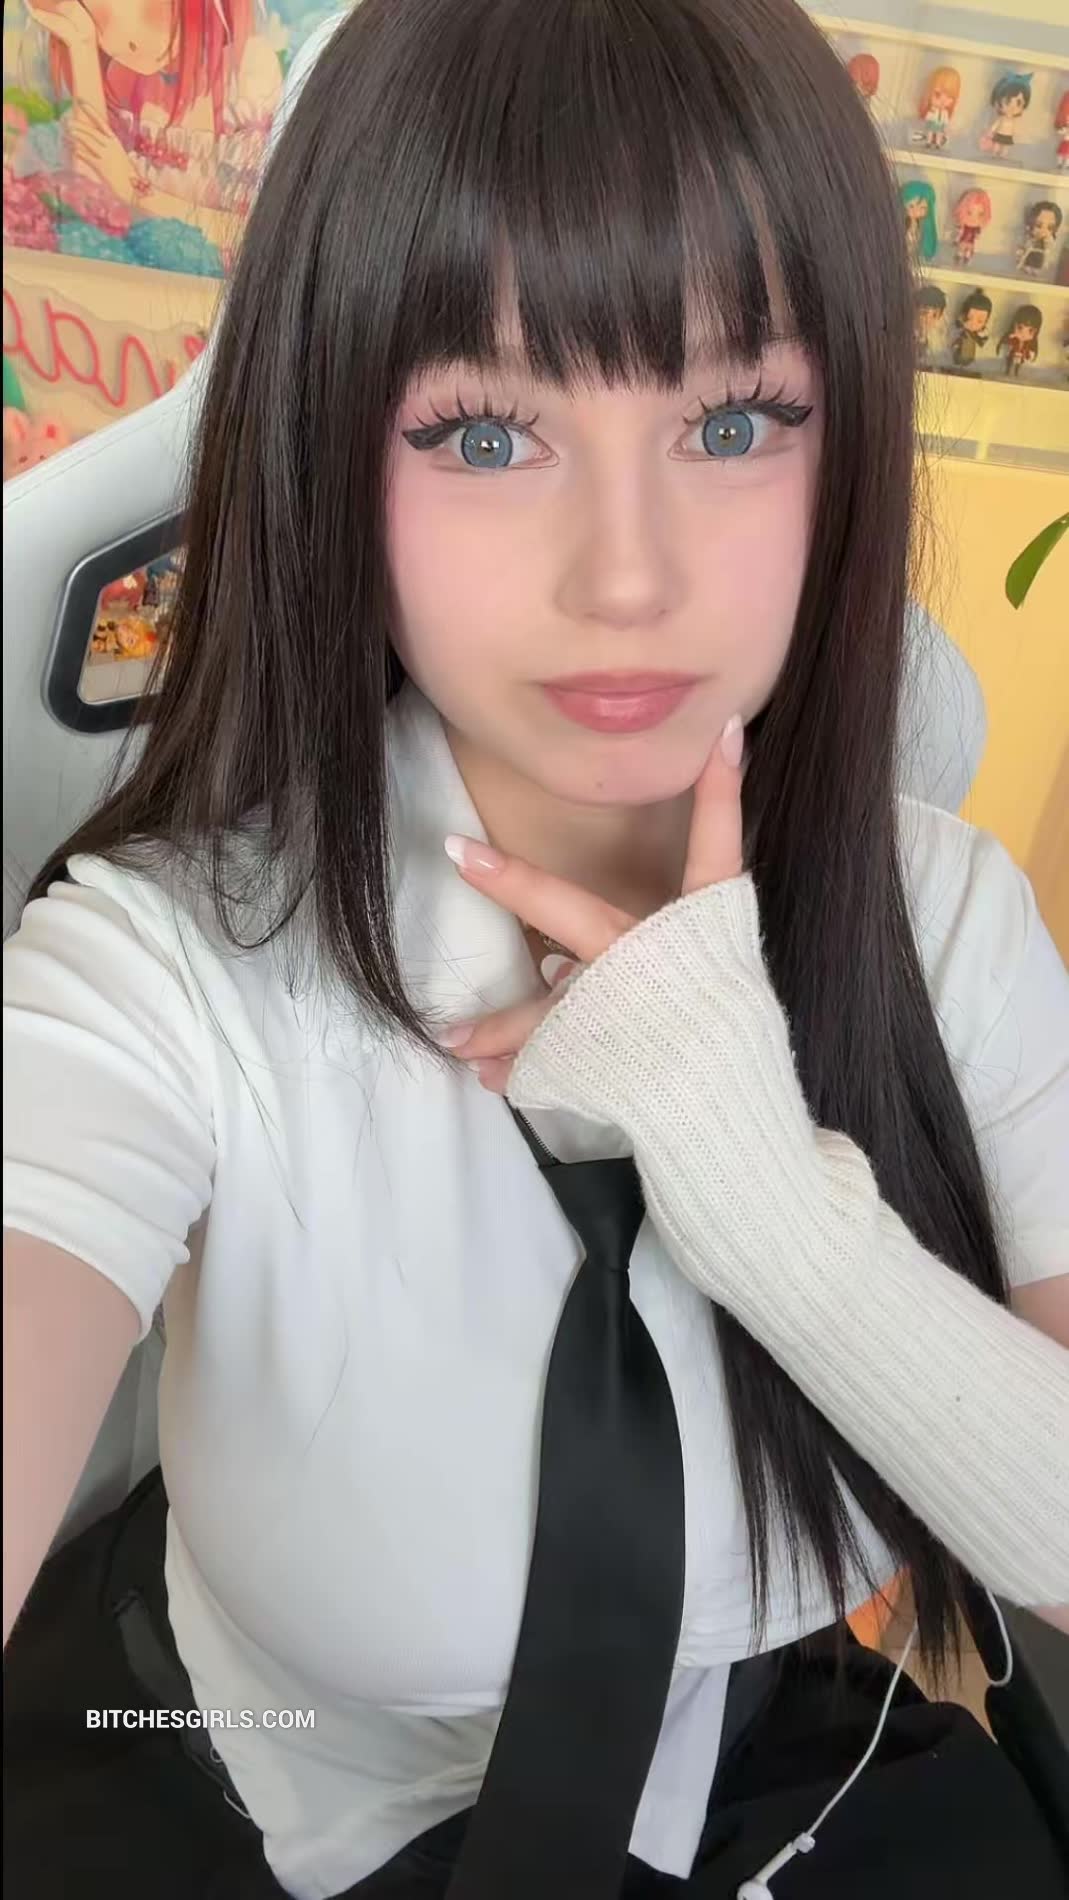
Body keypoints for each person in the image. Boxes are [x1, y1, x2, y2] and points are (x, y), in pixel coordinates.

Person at [4, 2, 1068, 1898]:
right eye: (485, 434)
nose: (626, 577)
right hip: (246, 1792)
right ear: (333, 451)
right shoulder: (162, 966)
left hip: (764, 1777)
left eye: (732, 423)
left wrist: (774, 1204)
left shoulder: (949, 923)